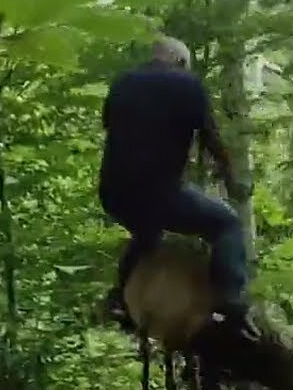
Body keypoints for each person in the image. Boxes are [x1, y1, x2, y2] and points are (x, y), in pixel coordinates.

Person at [99, 36, 259, 340]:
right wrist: (231, 181)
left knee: (147, 232)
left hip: (114, 193)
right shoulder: (188, 85)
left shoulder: (122, 83)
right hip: (159, 193)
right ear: (181, 62)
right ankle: (232, 302)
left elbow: (111, 127)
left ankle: (121, 297)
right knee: (226, 225)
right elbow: (211, 139)